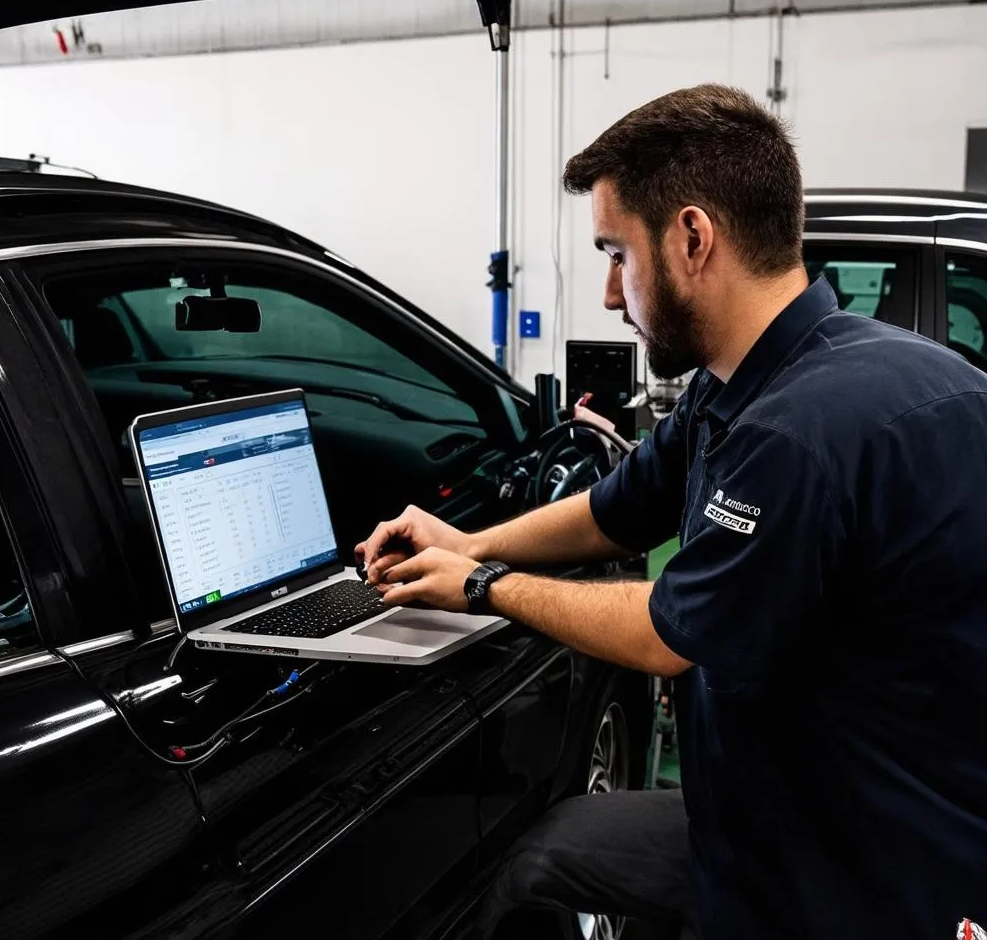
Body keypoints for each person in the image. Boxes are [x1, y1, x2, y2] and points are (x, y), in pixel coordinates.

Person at [356, 84, 987, 939]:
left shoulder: (796, 432)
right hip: (786, 807)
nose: (612, 295)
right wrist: (465, 537)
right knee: (547, 864)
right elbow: (615, 512)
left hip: (857, 869)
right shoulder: (755, 380)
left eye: (617, 253)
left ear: (693, 239)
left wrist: (482, 584)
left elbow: (667, 634)